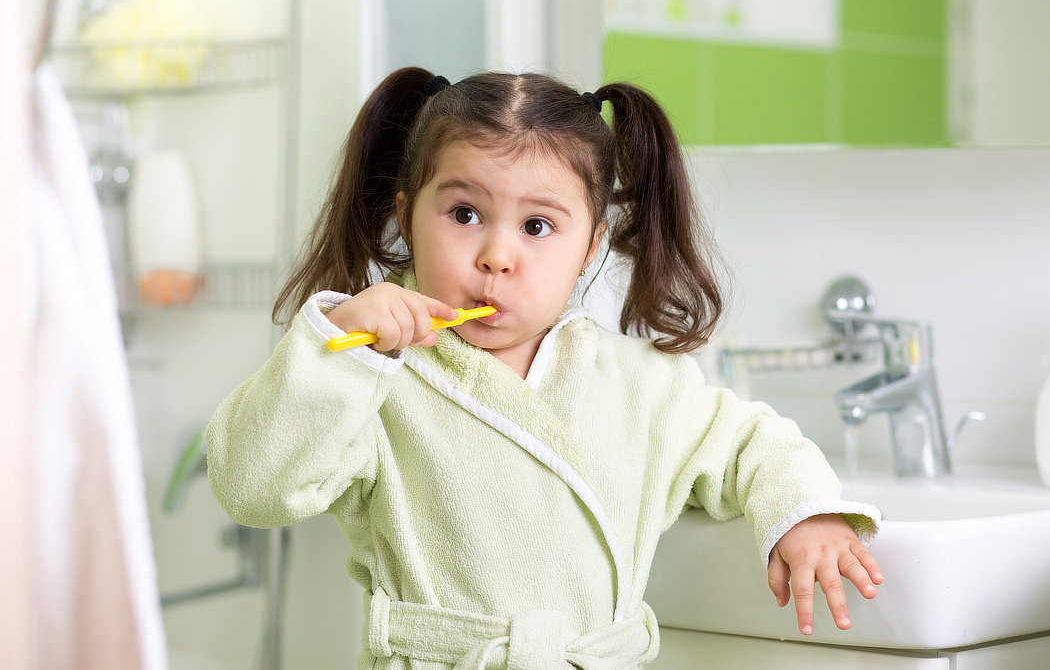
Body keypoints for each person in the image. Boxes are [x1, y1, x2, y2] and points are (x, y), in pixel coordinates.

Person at [207, 67, 883, 668]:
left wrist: (805, 512)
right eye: (465, 212)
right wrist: (341, 342)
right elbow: (252, 485)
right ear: (406, 216)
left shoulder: (642, 384)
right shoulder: (373, 376)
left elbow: (747, 441)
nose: (498, 254)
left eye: (537, 226)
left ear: (591, 246)